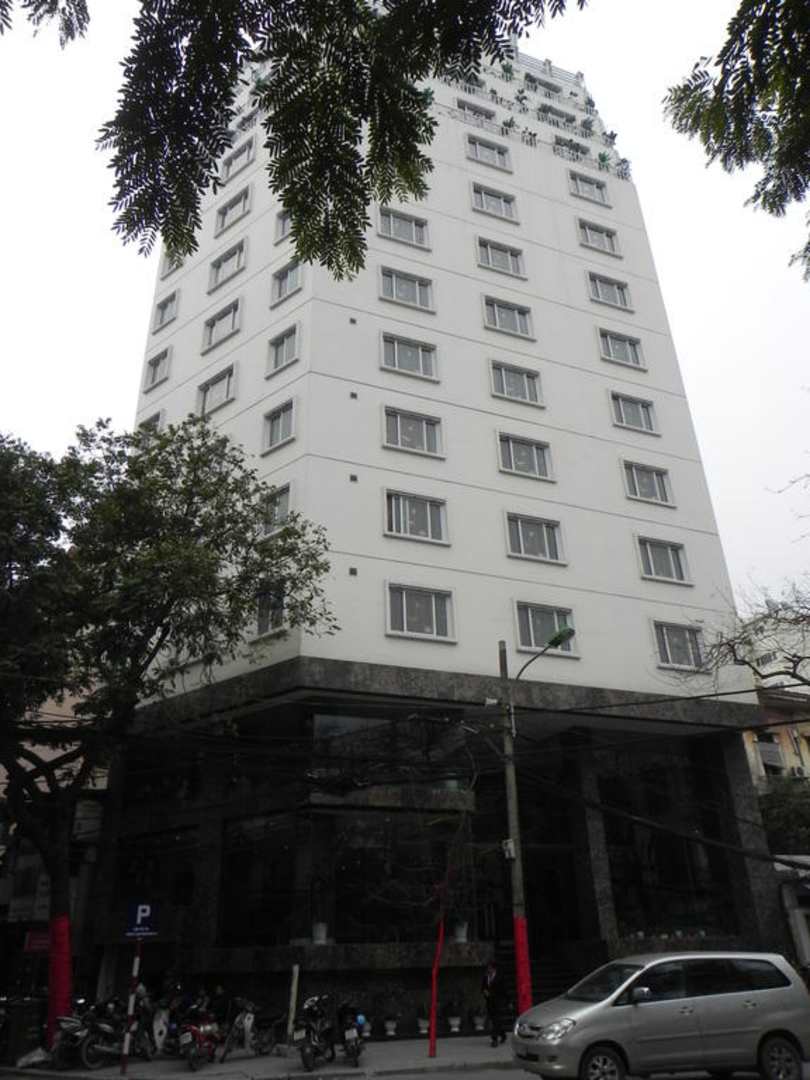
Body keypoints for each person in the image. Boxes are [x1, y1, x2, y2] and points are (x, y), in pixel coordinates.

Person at [481, 959, 506, 1046]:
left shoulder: (500, 977)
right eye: (488, 968)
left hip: (498, 1001)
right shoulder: (486, 977)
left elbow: (504, 990)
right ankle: (502, 1034)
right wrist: (485, 992)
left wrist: (508, 1001)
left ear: (494, 968)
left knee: (496, 1020)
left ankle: (494, 1039)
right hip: (489, 1002)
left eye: (490, 968)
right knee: (494, 1020)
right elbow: (483, 987)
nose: (488, 969)